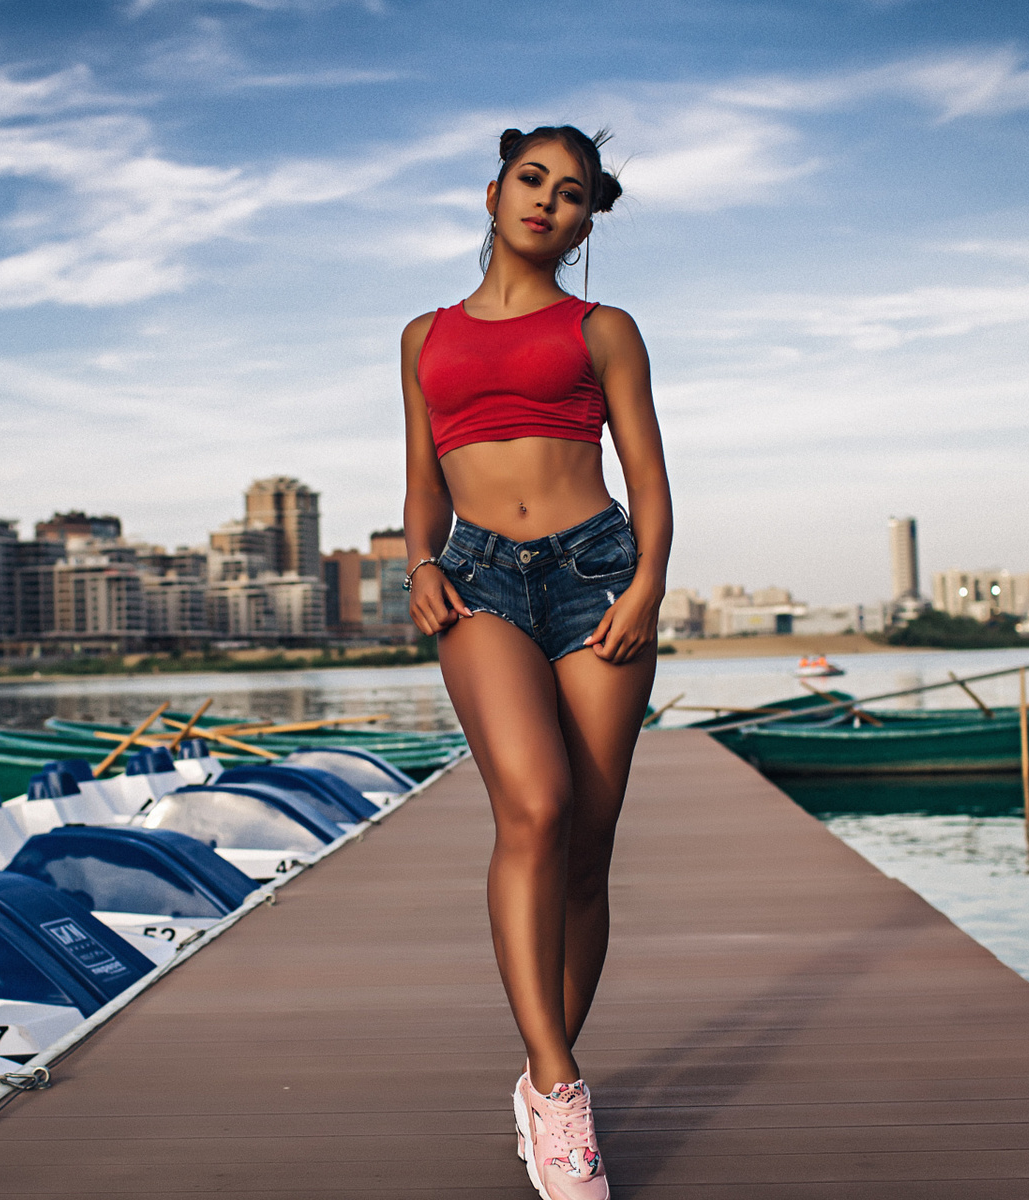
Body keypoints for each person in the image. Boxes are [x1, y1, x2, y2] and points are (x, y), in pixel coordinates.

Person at [399, 125, 671, 1200]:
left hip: (599, 571)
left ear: (587, 221)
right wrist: (419, 558)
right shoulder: (424, 335)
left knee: (591, 846)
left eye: (570, 195)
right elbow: (421, 476)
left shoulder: (605, 329)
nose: (546, 203)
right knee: (537, 807)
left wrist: (647, 583)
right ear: (494, 189)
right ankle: (559, 1091)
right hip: (477, 581)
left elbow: (647, 471)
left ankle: (538, 1077)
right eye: (531, 182)